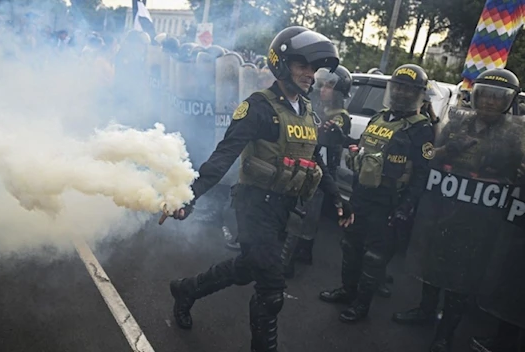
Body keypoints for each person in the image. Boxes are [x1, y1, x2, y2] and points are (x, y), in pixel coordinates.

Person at [165, 26, 354, 352]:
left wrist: (338, 199)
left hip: (285, 208)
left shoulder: (308, 111)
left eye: (313, 68)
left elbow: (315, 162)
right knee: (271, 288)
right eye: (302, 66)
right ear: (281, 64)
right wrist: (189, 195)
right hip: (254, 206)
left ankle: (187, 290)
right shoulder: (258, 107)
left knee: (247, 268)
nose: (310, 75)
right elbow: (224, 155)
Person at [392, 68, 525, 352]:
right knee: (433, 262)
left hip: (482, 219)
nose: (489, 103)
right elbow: (429, 156)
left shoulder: (515, 135)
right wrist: (448, 149)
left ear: (509, 102)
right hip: (445, 208)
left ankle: (445, 333)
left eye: (497, 98)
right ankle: (425, 310)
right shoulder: (456, 123)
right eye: (484, 96)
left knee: (463, 277)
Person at [318, 64, 435, 323]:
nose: (401, 93)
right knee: (350, 245)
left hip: (388, 202)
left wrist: (406, 207)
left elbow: (421, 175)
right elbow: (360, 150)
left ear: (418, 94)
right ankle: (348, 291)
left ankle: (361, 305)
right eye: (398, 87)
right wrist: (342, 138)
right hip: (361, 195)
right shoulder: (378, 118)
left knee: (374, 257)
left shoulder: (421, 129)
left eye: (408, 89)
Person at [280, 64, 353, 278]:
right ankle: (303, 251)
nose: (323, 90)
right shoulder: (317, 108)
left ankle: (286, 262)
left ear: (340, 91)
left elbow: (321, 138)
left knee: (304, 216)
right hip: (309, 166)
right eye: (322, 85)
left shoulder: (340, 116)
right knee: (305, 215)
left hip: (320, 172)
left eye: (329, 86)